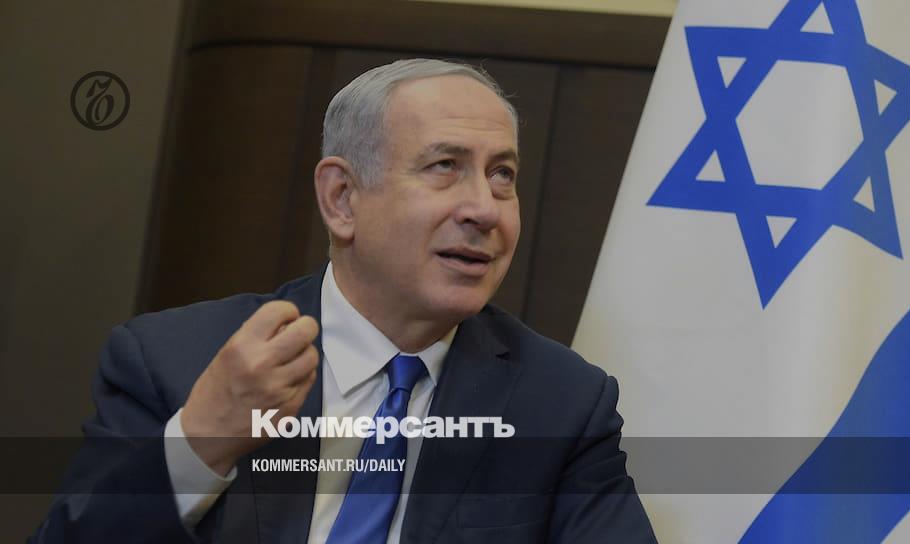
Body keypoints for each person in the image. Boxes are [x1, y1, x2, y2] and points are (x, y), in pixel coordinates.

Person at [31, 59, 657, 543]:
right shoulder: (174, 360)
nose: (483, 210)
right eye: (445, 166)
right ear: (342, 199)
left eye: (502, 175)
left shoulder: (561, 403)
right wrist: (200, 444)